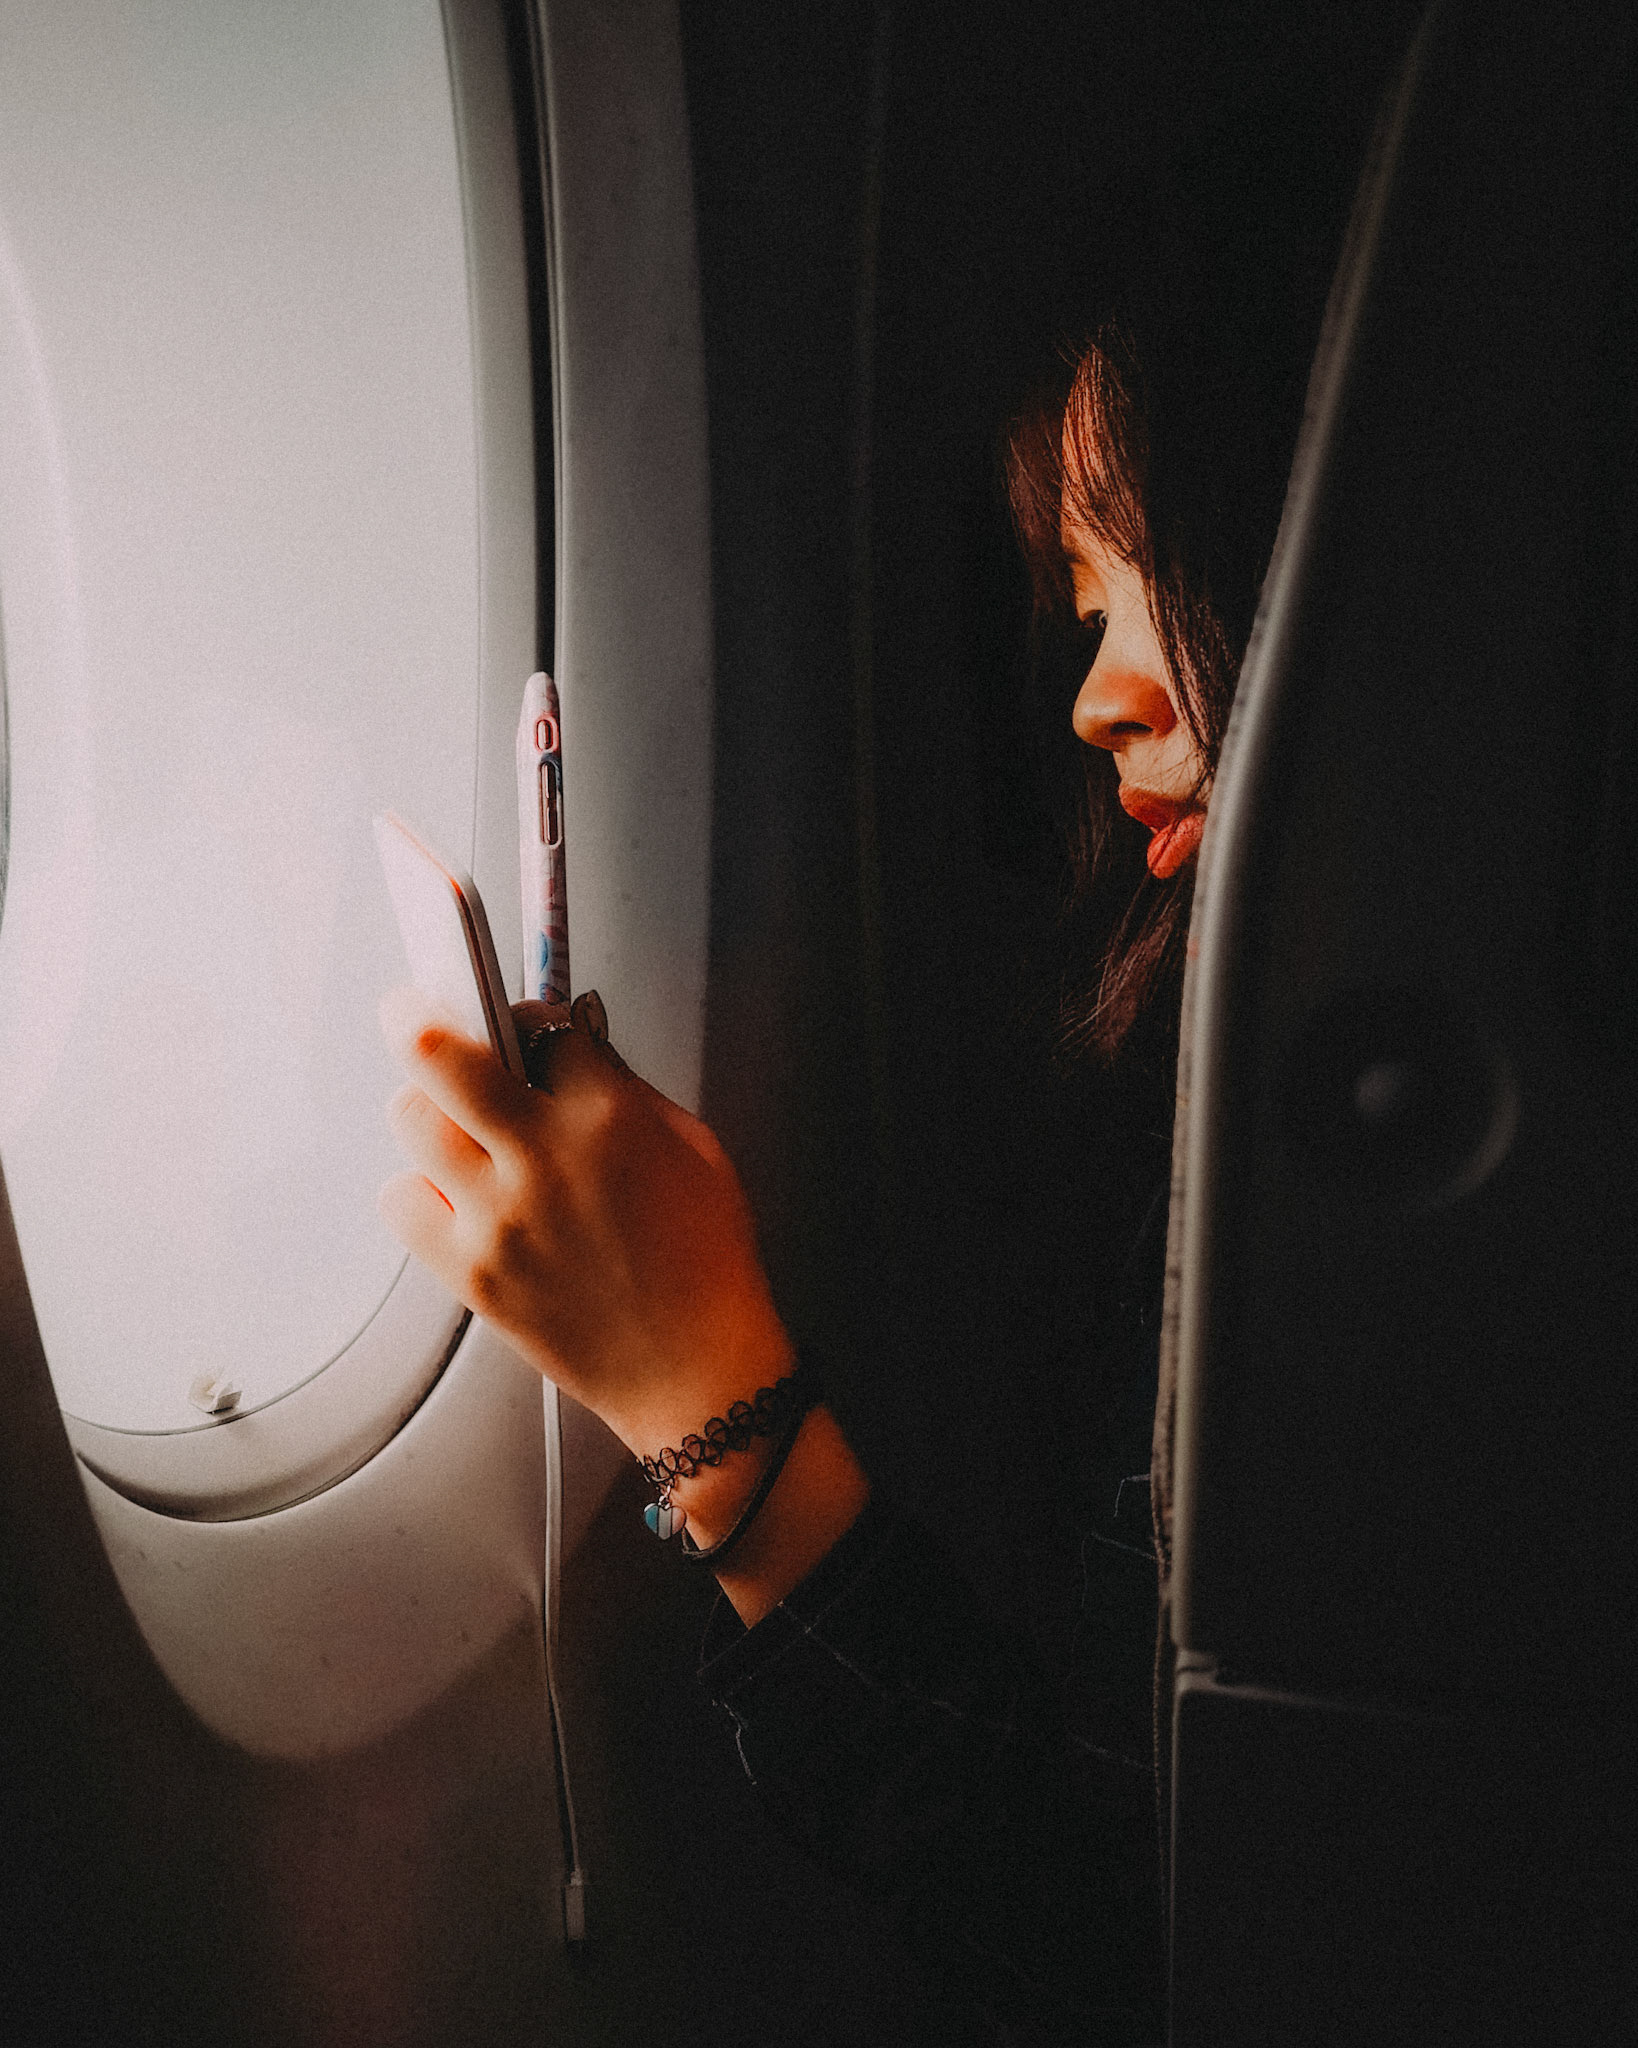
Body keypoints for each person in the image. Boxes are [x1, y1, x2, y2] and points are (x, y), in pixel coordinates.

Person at [377, 323, 1275, 2045]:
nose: (1098, 693)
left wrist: (698, 1385)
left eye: (1159, 574)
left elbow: (1135, 1939)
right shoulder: (1198, 1106)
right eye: (1090, 610)